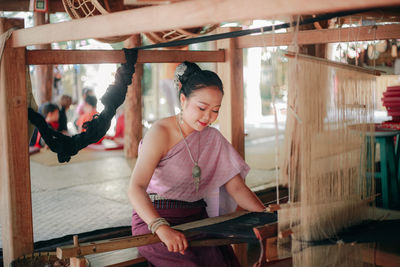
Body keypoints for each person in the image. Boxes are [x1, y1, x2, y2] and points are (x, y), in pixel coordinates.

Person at [128, 61, 265, 266]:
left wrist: (265, 216)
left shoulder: (213, 138)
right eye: (202, 108)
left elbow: (235, 186)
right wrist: (162, 228)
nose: (208, 117)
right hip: (155, 218)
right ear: (183, 100)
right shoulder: (160, 133)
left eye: (215, 110)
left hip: (197, 219)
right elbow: (135, 188)